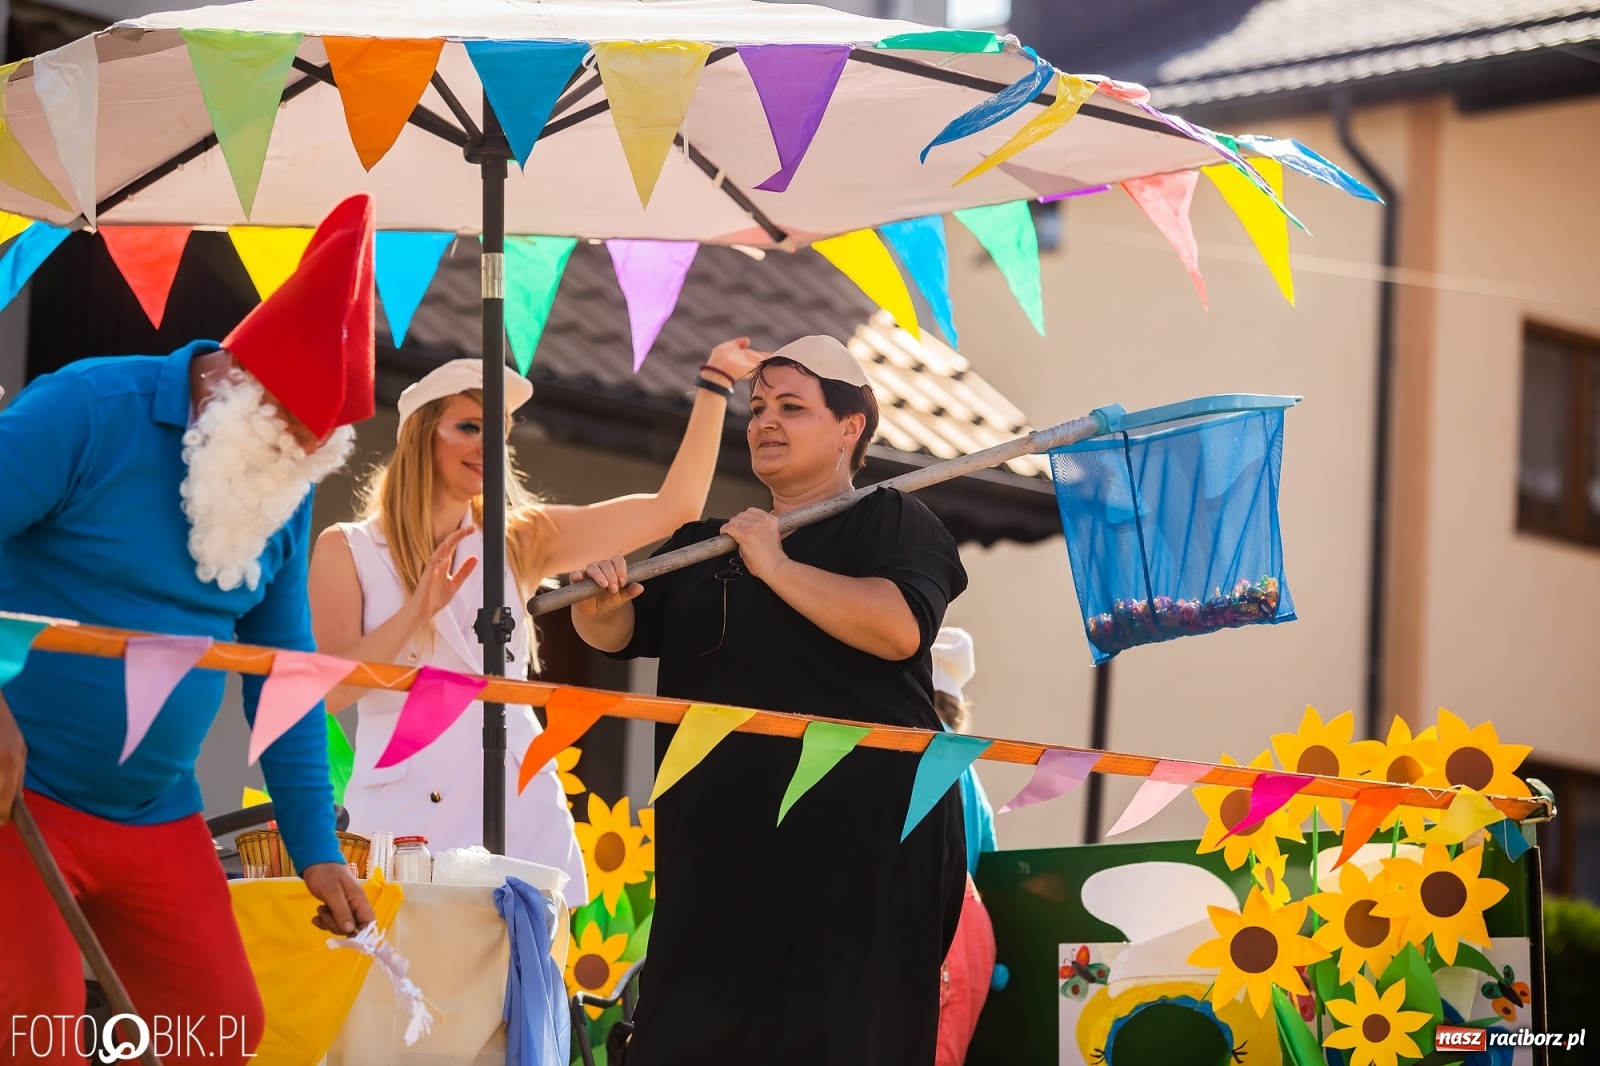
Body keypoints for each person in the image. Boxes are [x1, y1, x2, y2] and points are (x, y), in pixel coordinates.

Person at [0, 195, 380, 1064]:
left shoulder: (281, 482)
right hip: (18, 795)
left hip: (152, 814)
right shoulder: (89, 408)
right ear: (227, 385)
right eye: (286, 433)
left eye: (312, 448)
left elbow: (280, 675)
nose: (295, 460)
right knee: (34, 1025)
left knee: (217, 1030)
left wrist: (316, 850)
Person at [571, 336, 970, 1065]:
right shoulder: (707, 545)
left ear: (851, 427)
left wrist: (775, 562)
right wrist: (597, 603)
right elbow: (619, 630)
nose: (765, 423)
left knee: (841, 1040)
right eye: (757, 408)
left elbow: (896, 627)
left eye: (792, 407)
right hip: (719, 852)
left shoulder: (890, 517)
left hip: (858, 851)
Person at [308, 341, 763, 899]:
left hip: (516, 805)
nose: (487, 445)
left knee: (527, 982)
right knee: (405, 979)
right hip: (405, 816)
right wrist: (416, 611)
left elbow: (676, 509)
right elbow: (328, 693)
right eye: (468, 426)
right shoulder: (348, 547)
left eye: (497, 430)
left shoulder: (518, 538)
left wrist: (715, 382)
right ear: (420, 432)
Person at [930, 626, 999, 1066]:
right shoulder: (968, 771)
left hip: (931, 920)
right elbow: (990, 857)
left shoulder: (905, 743)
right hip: (970, 930)